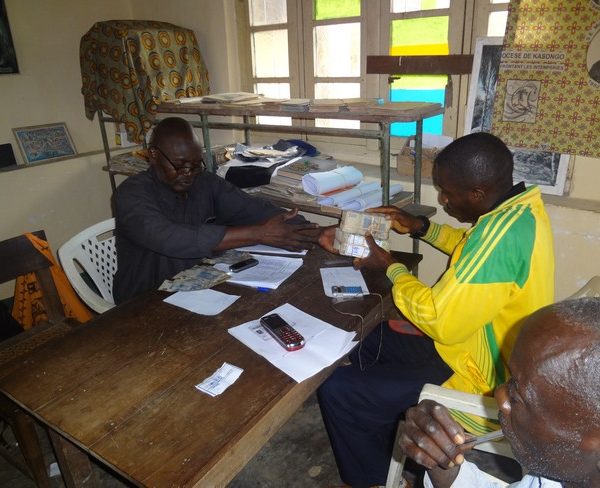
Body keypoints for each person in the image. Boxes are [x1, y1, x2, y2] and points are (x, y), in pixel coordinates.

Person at [317, 132, 555, 487]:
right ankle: (388, 440)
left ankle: (376, 479)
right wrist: (422, 228)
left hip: (484, 383)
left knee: (339, 389)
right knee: (365, 340)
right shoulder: (520, 212)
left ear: (477, 193)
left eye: (446, 192)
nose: (442, 199)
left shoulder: (501, 238)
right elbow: (470, 248)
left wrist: (390, 266)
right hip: (469, 348)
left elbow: (439, 320)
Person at [113, 117, 321, 304]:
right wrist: (260, 234)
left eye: (195, 165)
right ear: (154, 155)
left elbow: (253, 209)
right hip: (145, 297)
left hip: (197, 284)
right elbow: (169, 237)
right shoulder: (131, 194)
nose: (188, 174)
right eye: (179, 165)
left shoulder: (203, 181)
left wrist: (317, 233)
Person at [399, 297, 600, 488]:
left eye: (516, 398)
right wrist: (445, 469)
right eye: (511, 380)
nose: (500, 395)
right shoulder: (560, 474)